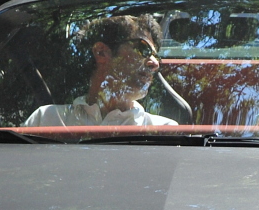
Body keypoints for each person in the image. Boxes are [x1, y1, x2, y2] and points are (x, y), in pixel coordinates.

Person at [23, 14, 176, 127]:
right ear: (101, 52)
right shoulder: (45, 120)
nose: (154, 63)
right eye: (143, 48)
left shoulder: (164, 130)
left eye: (156, 56)